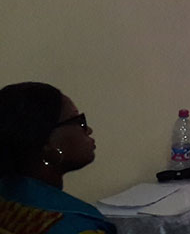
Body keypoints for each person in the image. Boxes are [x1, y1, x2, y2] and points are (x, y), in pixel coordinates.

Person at [0, 82, 115, 234]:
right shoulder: (75, 226)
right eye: (78, 122)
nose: (88, 130)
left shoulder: (8, 201)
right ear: (48, 143)